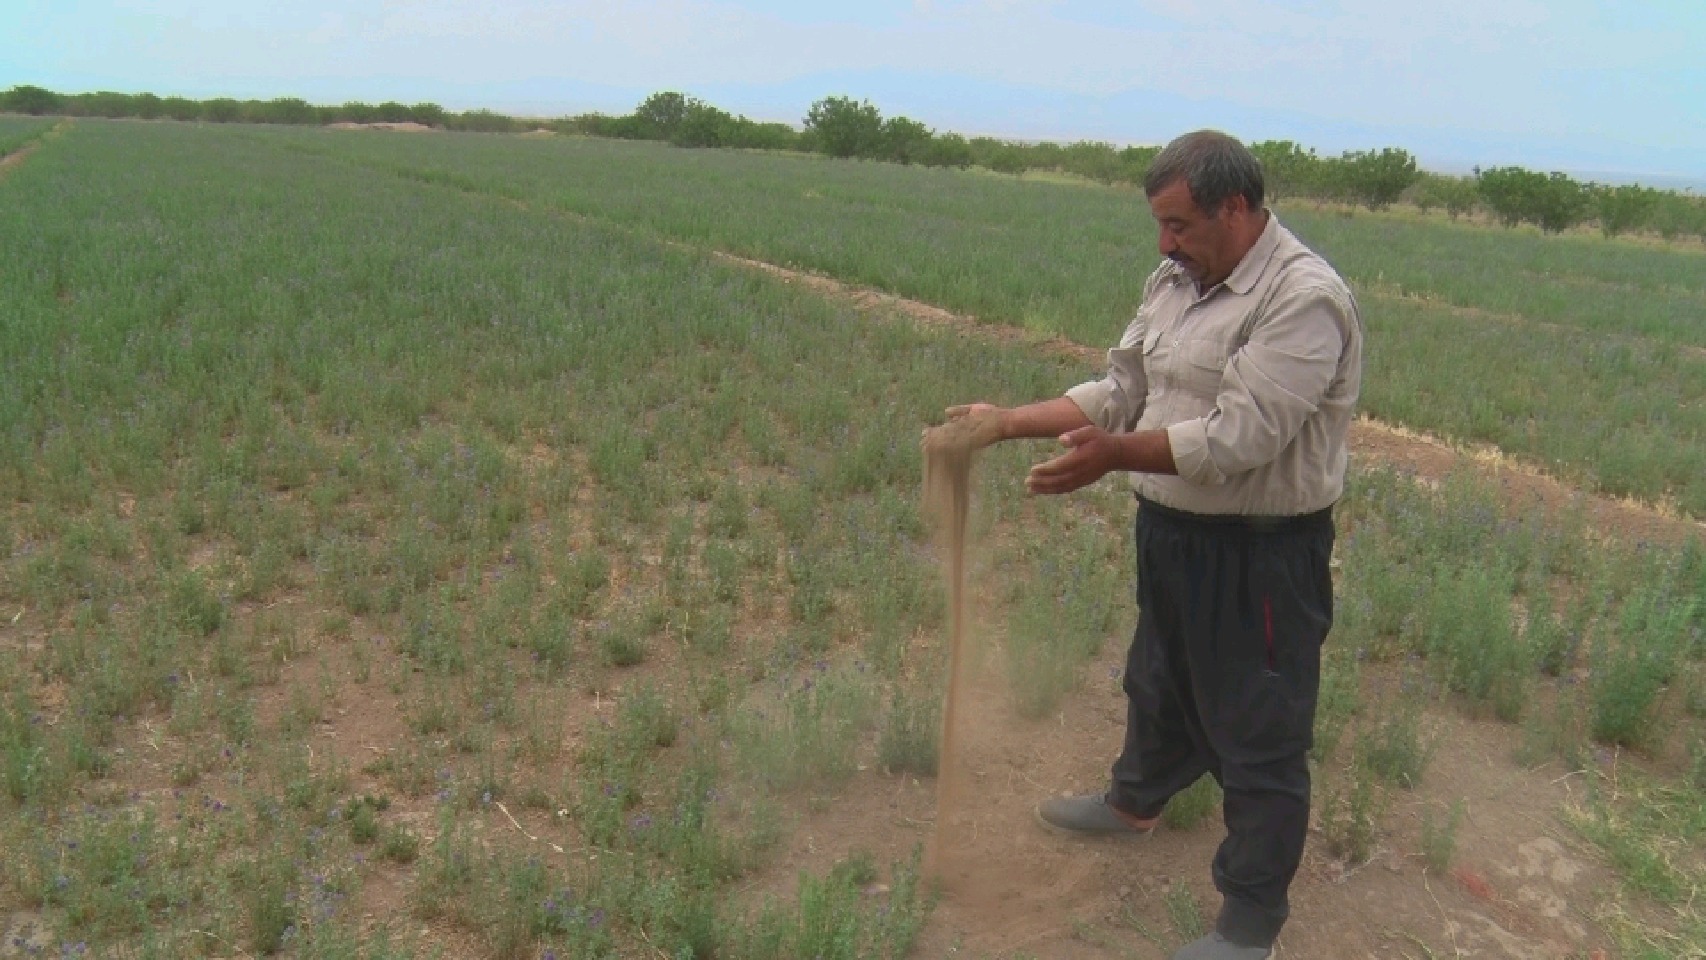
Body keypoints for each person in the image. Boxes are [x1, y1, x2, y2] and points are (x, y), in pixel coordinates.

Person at [943, 130, 1362, 960]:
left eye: (1179, 224)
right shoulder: (1177, 278)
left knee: (1259, 732)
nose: (1164, 243)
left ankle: (1249, 924)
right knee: (1159, 679)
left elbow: (1241, 436)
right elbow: (1125, 389)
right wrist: (1007, 424)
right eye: (1159, 225)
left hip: (1263, 553)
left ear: (1235, 208)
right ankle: (1134, 804)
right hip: (1174, 530)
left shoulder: (1301, 297)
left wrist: (1114, 455)